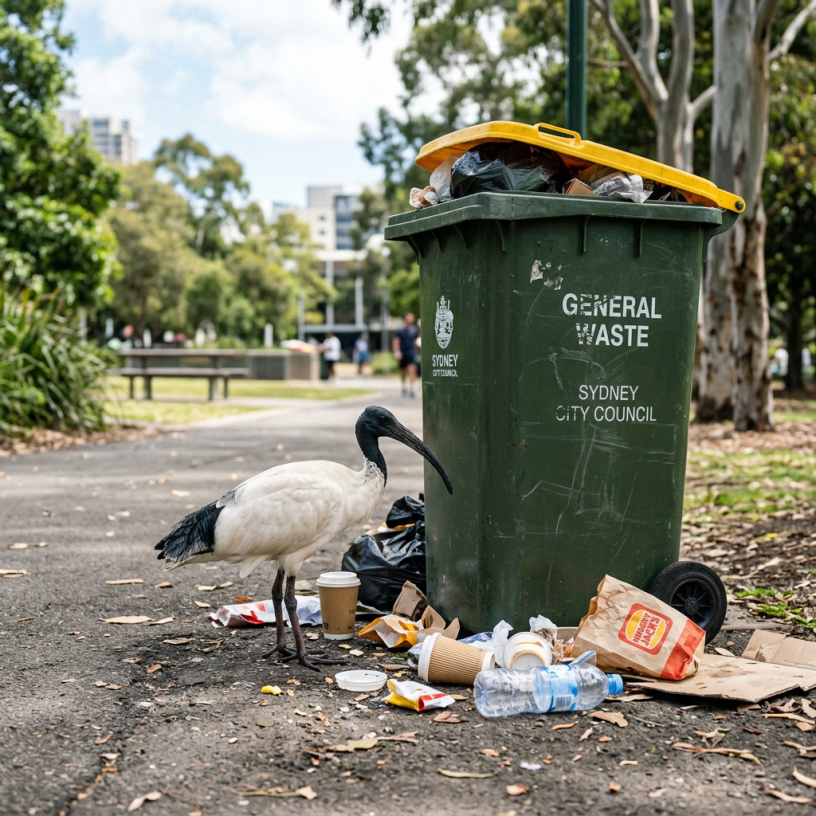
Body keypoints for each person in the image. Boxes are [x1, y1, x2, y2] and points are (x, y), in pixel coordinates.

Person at [393, 313, 420, 397]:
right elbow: (396, 341)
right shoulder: (399, 330)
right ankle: (403, 385)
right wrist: (396, 351)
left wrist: (419, 345)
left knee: (412, 369)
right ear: (405, 319)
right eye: (409, 318)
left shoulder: (415, 330)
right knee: (403, 371)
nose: (411, 320)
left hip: (411, 352)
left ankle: (412, 388)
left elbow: (416, 340)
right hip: (402, 352)